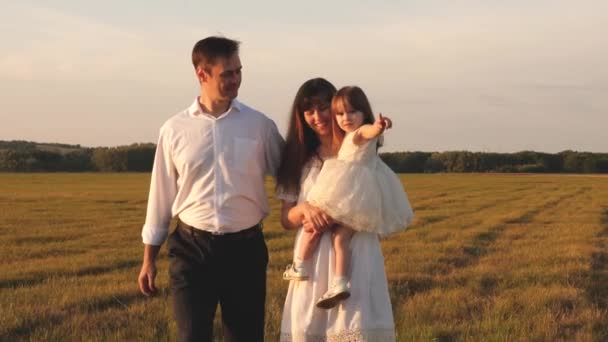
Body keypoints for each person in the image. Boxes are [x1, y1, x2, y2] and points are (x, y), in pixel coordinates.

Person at [137, 36, 283, 342]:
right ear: (201, 73)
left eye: (238, 71)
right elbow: (160, 196)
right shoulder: (174, 130)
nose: (236, 80)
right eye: (227, 73)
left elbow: (291, 177)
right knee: (191, 335)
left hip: (246, 250)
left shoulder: (259, 126)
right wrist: (149, 259)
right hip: (191, 250)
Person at [276, 78, 402, 341]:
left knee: (353, 326)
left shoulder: (357, 150)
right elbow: (286, 219)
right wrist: (305, 209)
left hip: (356, 254)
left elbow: (371, 192)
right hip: (312, 261)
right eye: (308, 111)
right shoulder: (297, 157)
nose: (317, 116)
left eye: (323, 108)